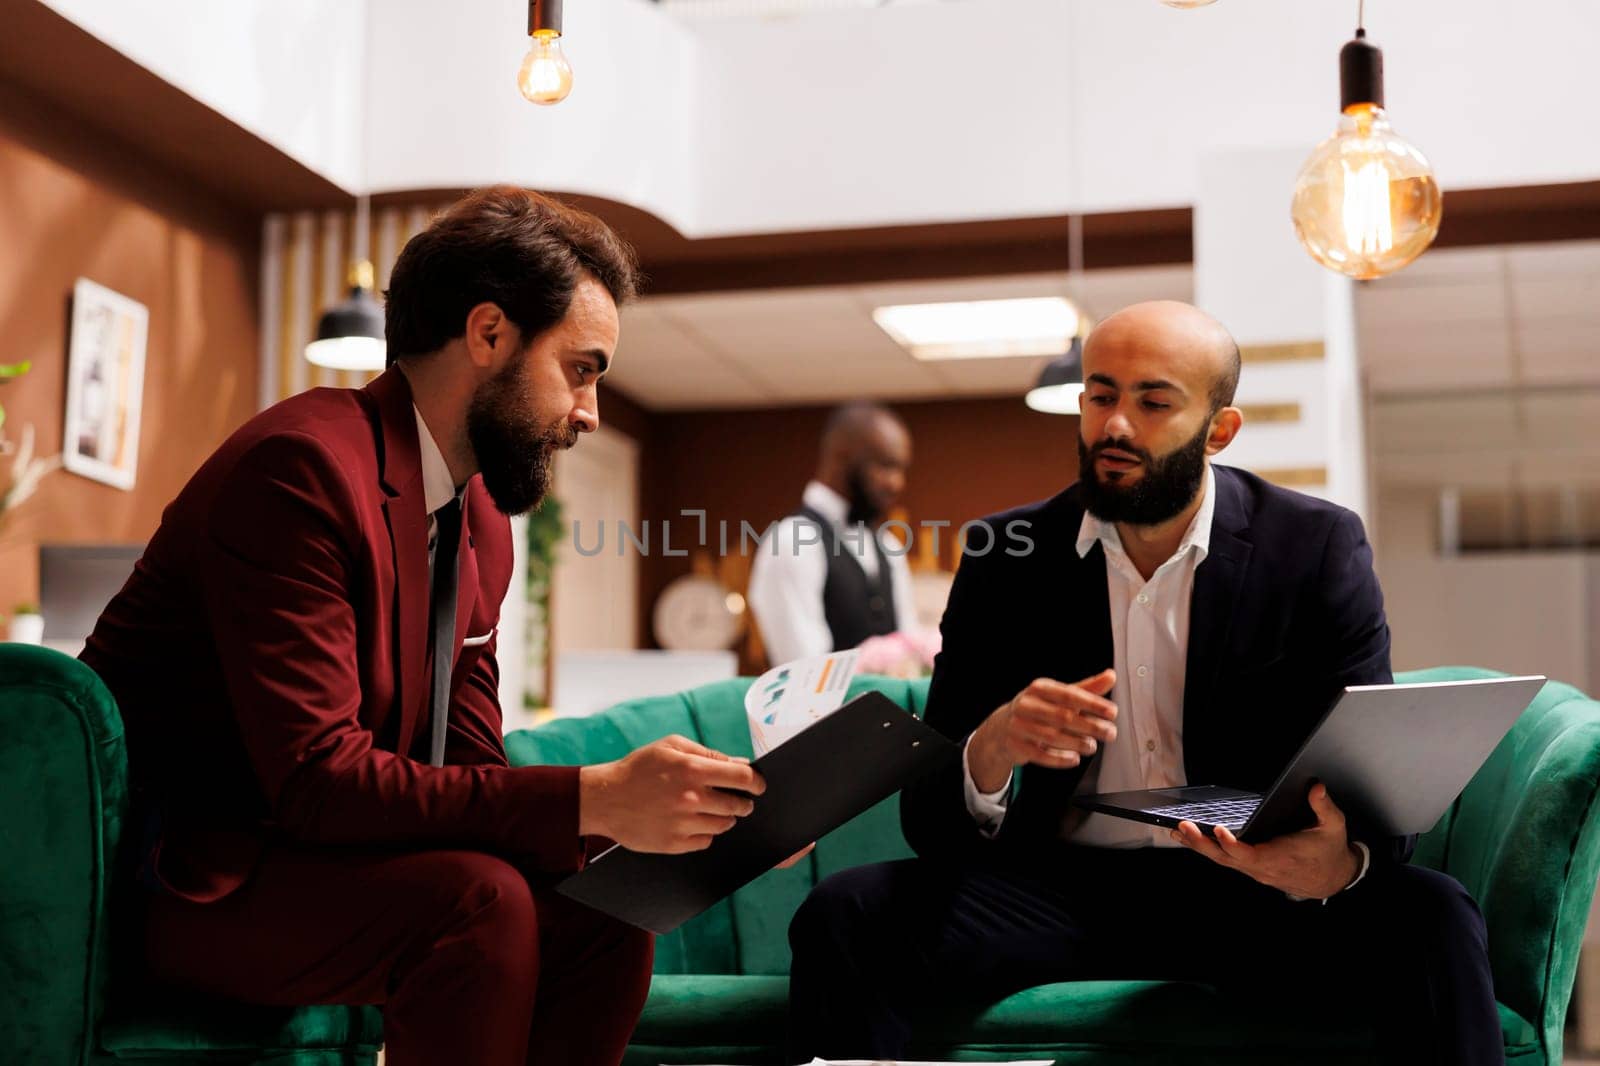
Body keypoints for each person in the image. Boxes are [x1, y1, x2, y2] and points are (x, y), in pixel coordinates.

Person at [81, 186, 772, 1066]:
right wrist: (596, 797)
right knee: (477, 902)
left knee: (608, 913)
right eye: (582, 368)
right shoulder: (299, 471)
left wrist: (696, 818)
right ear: (488, 334)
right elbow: (319, 782)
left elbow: (469, 774)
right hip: (194, 883)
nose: (590, 413)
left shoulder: (481, 521)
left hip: (322, 863)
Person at [787, 301, 1501, 1065]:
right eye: (1100, 396)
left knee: (1434, 914)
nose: (1115, 426)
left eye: (1153, 402)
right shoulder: (1006, 555)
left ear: (1218, 430)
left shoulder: (1315, 546)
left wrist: (1341, 861)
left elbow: (1378, 779)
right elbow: (930, 824)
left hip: (1249, 886)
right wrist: (989, 750)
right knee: (848, 912)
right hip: (1059, 889)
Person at [747, 402, 915, 665]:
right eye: (885, 466)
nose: (897, 482)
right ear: (841, 456)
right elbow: (805, 671)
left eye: (901, 469)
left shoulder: (888, 545)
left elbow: (908, 650)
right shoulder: (792, 541)